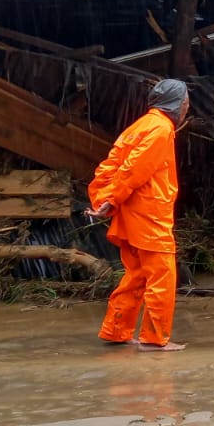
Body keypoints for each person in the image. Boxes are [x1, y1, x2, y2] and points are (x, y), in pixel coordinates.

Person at [87, 79, 189, 352]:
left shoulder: (140, 126)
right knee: (161, 274)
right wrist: (111, 200)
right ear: (179, 104)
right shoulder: (161, 129)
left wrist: (106, 198)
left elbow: (110, 165)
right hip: (149, 214)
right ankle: (155, 339)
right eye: (186, 102)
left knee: (138, 273)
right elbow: (134, 170)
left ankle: (116, 330)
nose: (187, 107)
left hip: (133, 212)